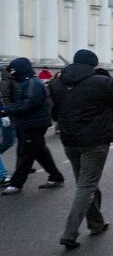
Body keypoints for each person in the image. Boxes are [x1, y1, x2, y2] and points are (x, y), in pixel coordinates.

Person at [49, 50, 113, 249]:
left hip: (69, 141)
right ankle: (70, 232)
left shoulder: (57, 83)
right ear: (93, 64)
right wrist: (108, 79)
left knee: (84, 183)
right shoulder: (100, 81)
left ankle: (96, 223)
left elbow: (54, 112)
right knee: (86, 186)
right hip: (94, 141)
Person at [1, 58, 66, 196]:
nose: (11, 73)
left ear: (20, 69)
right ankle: (55, 177)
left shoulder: (32, 84)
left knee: (25, 154)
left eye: (13, 70)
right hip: (31, 123)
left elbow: (28, 105)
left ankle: (16, 184)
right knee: (40, 152)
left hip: (32, 124)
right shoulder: (27, 82)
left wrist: (6, 109)